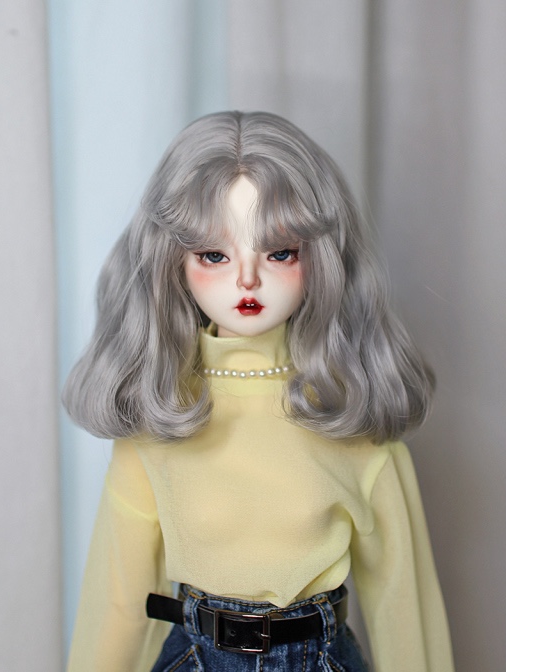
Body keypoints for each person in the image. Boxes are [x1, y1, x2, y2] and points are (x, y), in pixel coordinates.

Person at [63, 110, 455, 671]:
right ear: (172, 261)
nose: (247, 280)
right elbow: (119, 602)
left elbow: (402, 602)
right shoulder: (158, 413)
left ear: (321, 256)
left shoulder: (350, 410)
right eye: (215, 255)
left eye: (279, 253)